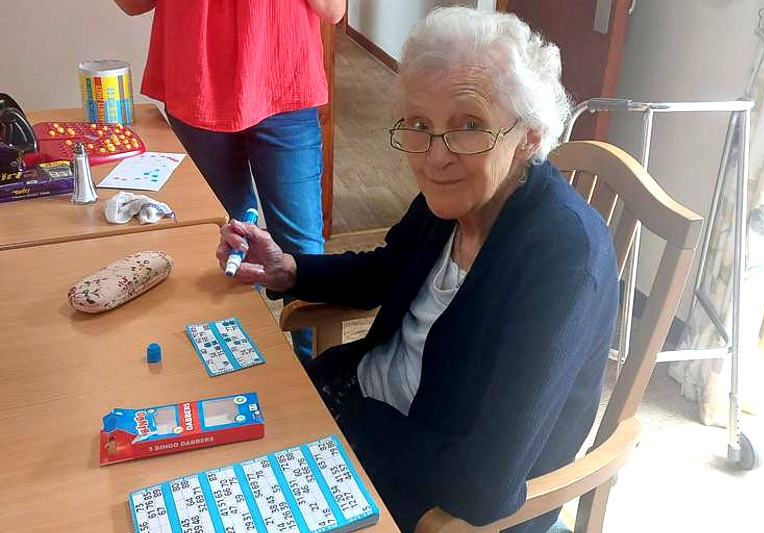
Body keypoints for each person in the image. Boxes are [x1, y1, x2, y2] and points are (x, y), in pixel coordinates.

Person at [217, 7, 619, 533]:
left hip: (420, 481)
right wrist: (289, 269)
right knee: (212, 442)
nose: (434, 157)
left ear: (530, 136)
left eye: (468, 126)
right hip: (361, 408)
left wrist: (351, 422)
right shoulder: (454, 200)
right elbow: (384, 272)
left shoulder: (566, 259)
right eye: (419, 125)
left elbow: (486, 484)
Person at [111, 0, 346, 361]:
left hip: (285, 81)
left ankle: (318, 381)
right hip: (197, 83)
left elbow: (332, 10)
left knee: (302, 248)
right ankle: (241, 375)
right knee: (222, 251)